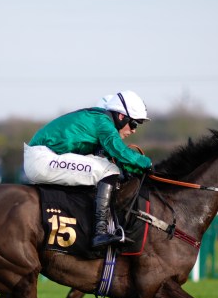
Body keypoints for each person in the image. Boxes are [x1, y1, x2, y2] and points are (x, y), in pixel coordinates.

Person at [23, 90, 152, 248]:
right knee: (109, 170)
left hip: (43, 156)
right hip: (41, 159)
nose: (133, 130)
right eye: (133, 124)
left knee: (104, 166)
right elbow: (120, 151)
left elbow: (115, 157)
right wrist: (147, 164)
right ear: (121, 117)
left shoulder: (100, 119)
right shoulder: (103, 123)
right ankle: (100, 232)